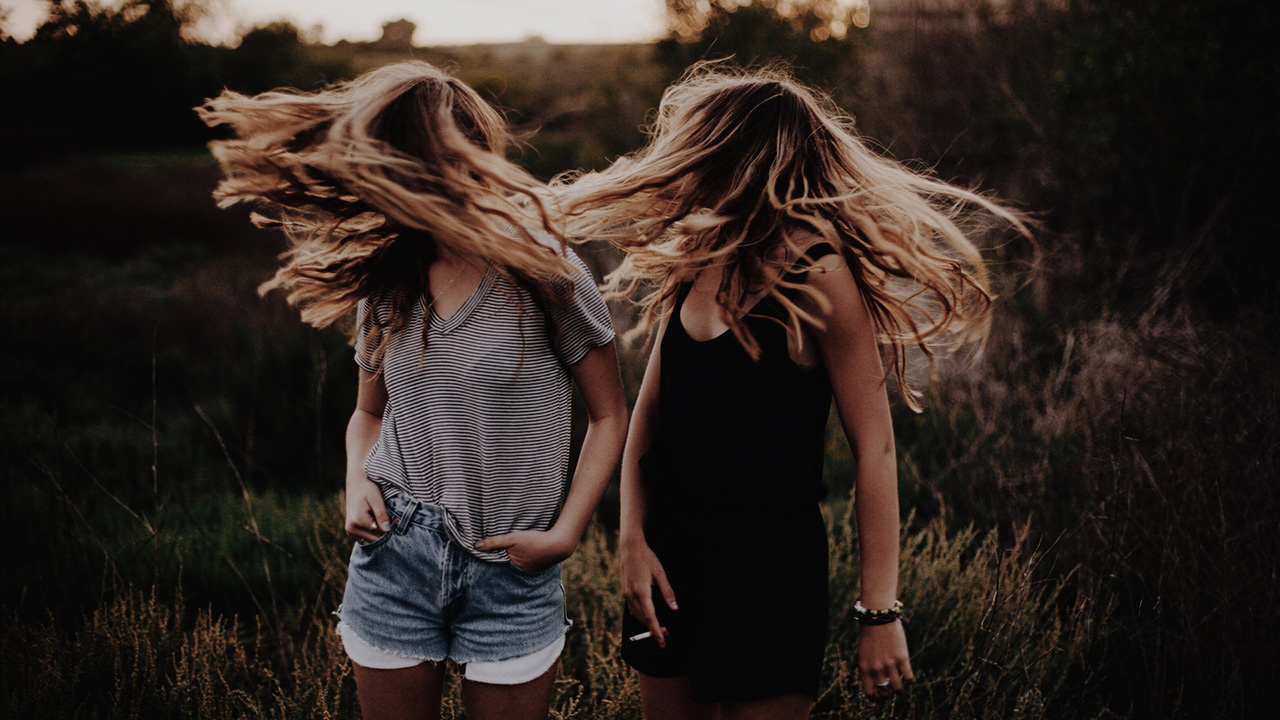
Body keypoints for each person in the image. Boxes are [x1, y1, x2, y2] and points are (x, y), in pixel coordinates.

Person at [558, 64, 1027, 719]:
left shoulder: (819, 273)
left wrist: (880, 610)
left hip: (769, 569)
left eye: (700, 147)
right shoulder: (700, 254)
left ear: (737, 155)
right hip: (668, 557)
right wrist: (632, 540)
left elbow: (876, 451)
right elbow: (650, 416)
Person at [199, 61, 628, 720]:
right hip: (396, 553)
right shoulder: (389, 281)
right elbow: (368, 414)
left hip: (513, 564)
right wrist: (357, 480)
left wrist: (567, 533)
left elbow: (608, 415)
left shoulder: (549, 273)